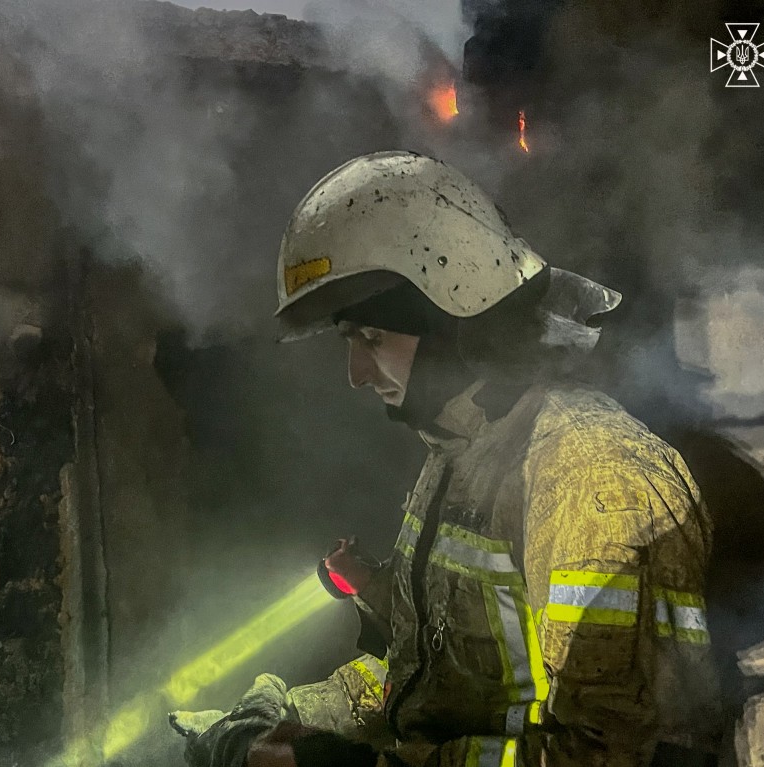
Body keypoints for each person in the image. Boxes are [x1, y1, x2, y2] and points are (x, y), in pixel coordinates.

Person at [171, 151, 720, 767]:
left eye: (372, 338)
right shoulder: (462, 454)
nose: (356, 374)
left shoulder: (590, 480)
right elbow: (432, 678)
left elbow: (610, 754)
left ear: (454, 322)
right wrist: (294, 719)